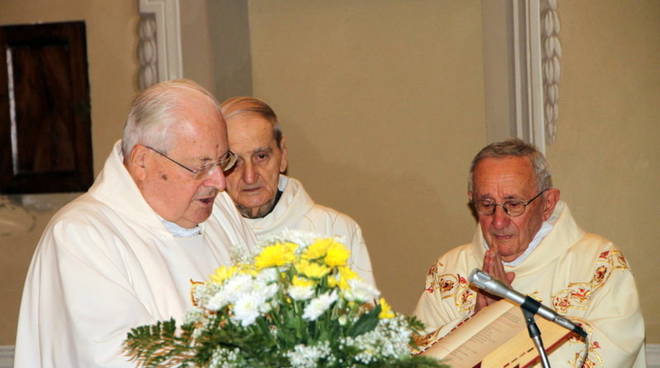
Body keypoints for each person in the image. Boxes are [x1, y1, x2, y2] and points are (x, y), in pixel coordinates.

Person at [14, 80, 256, 367]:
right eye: (200, 167)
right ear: (142, 161)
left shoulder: (222, 213)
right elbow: (118, 359)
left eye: (222, 160)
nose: (218, 181)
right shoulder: (81, 237)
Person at [414, 138, 646, 367]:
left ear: (547, 204)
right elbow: (413, 357)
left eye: (513, 204)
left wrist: (508, 324)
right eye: (486, 204)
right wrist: (475, 326)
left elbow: (611, 353)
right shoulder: (449, 270)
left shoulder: (598, 264)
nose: (498, 221)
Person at [218, 97, 375, 285]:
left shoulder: (335, 231)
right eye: (235, 161)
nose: (249, 176)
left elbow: (364, 311)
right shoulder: (207, 232)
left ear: (282, 155)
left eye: (261, 156)